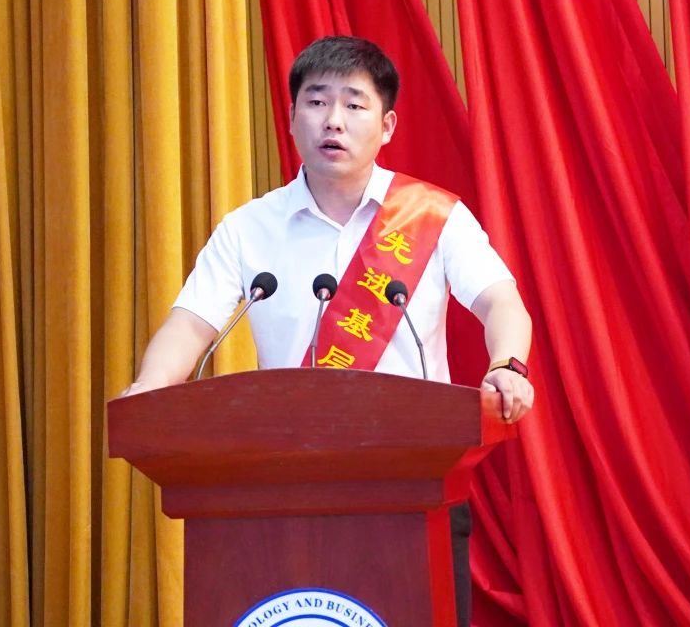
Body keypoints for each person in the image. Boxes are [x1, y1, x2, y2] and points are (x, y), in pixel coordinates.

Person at [123, 35, 534, 626]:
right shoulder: (249, 228)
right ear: (292, 117)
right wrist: (150, 388)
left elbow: (501, 302)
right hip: (278, 484)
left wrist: (506, 365)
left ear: (387, 126)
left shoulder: (433, 217)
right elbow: (189, 326)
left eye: (354, 104)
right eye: (316, 102)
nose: (333, 120)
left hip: (415, 475)